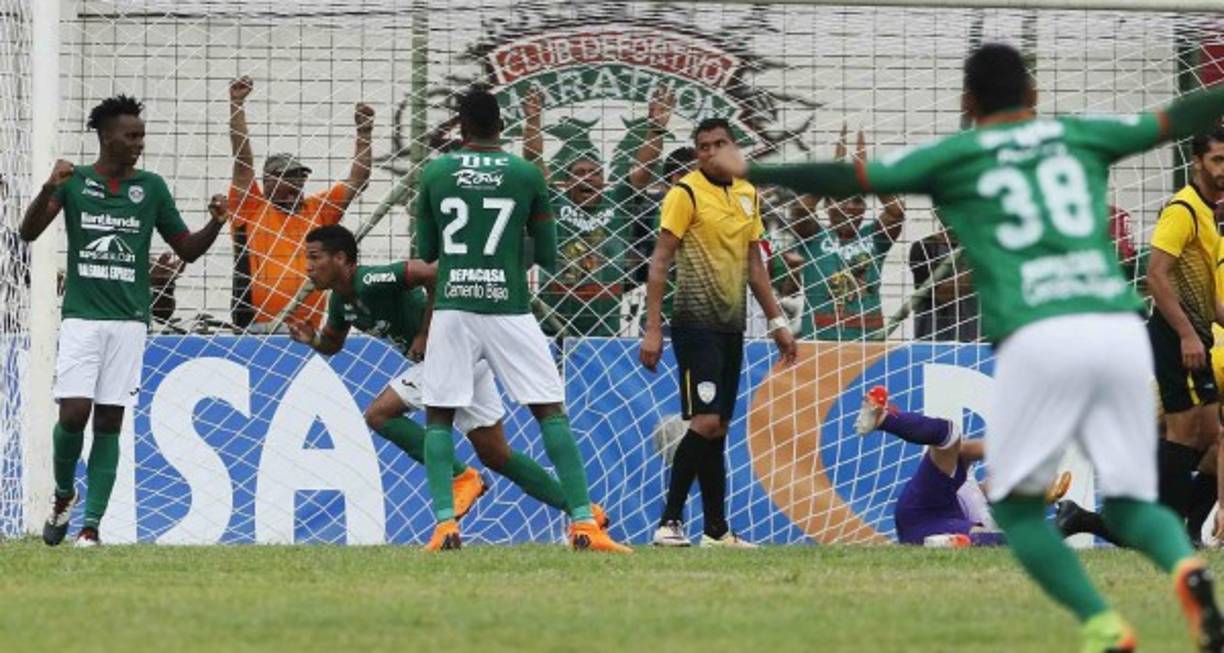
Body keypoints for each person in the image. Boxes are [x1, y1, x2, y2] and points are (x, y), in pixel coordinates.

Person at [710, 43, 1224, 652]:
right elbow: (1179, 117)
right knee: (1136, 504)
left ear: (967, 103)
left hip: (1039, 332)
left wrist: (753, 170)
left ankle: (1104, 626)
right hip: (1117, 328)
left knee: (1017, 507)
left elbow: (848, 179)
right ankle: (1189, 572)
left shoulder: (956, 156)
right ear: (1033, 97)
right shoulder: (1082, 135)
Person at [287, 224, 608, 536]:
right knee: (495, 454)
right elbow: (332, 344)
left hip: (454, 352)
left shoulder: (373, 279)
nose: (309, 267)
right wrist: (312, 338)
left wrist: (428, 333)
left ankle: (461, 477)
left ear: (341, 259)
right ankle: (585, 511)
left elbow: (435, 271)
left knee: (379, 414)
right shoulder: (341, 302)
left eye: (315, 257)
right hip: (463, 362)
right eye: (308, 258)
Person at [414, 89, 630, 553]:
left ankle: (445, 526)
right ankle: (583, 525)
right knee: (549, 410)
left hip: (453, 306)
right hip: (509, 307)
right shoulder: (526, 173)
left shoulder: (435, 171)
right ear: (501, 125)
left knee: (439, 415)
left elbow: (428, 252)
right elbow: (549, 255)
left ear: (461, 125)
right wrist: (509, 249)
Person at [20, 94, 229, 547]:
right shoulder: (73, 183)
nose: (138, 143)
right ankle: (62, 494)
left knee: (110, 422)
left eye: (141, 136)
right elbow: (28, 232)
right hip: (81, 317)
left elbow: (187, 249)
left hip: (131, 322)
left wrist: (215, 223)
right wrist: (47, 187)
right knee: (74, 414)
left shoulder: (150, 188)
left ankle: (91, 528)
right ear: (105, 136)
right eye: (130, 135)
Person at [639, 117, 798, 548]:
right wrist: (653, 328)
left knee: (720, 428)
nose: (709, 152)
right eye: (702, 146)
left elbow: (754, 266)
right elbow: (659, 261)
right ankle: (669, 521)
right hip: (694, 325)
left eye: (717, 144)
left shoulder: (748, 194)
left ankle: (716, 530)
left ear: (734, 146)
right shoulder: (685, 192)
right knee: (705, 421)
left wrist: (777, 322)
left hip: (732, 328)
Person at [854, 385, 1114, 548]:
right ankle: (885, 418)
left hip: (943, 525)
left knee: (991, 538)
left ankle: (947, 544)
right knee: (949, 435)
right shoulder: (960, 473)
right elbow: (972, 450)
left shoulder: (985, 501)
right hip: (925, 509)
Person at [521, 86, 674, 337]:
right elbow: (534, 161)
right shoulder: (555, 201)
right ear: (567, 182)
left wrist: (656, 127)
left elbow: (643, 169)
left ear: (604, 182)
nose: (587, 179)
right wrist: (533, 121)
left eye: (594, 174)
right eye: (579, 174)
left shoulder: (618, 201)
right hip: (551, 323)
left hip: (602, 329)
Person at [226, 76, 374, 331]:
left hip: (308, 329)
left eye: (299, 177)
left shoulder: (317, 210)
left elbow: (357, 180)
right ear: (268, 181)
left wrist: (364, 134)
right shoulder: (250, 208)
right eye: (288, 177)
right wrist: (236, 104)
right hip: (258, 328)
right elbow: (242, 161)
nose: (296, 184)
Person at [1147, 127, 1224, 539]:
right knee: (1184, 431)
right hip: (1175, 337)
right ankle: (1166, 529)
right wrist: (1187, 335)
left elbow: (1206, 296)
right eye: (1217, 160)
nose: (1223, 170)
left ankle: (1183, 525)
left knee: (1211, 439)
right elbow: (1155, 278)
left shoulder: (1211, 214)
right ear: (1197, 163)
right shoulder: (1184, 209)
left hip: (1196, 336)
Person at [783, 126, 905, 341]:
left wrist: (869, 174)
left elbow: (896, 212)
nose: (849, 207)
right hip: (821, 345)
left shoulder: (874, 237)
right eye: (840, 199)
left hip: (869, 345)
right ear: (827, 205)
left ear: (865, 209)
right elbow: (800, 210)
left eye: (857, 200)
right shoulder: (813, 235)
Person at [909, 225, 980, 341]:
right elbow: (942, 295)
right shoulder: (924, 247)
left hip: (980, 339)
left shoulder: (985, 247)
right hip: (935, 339)